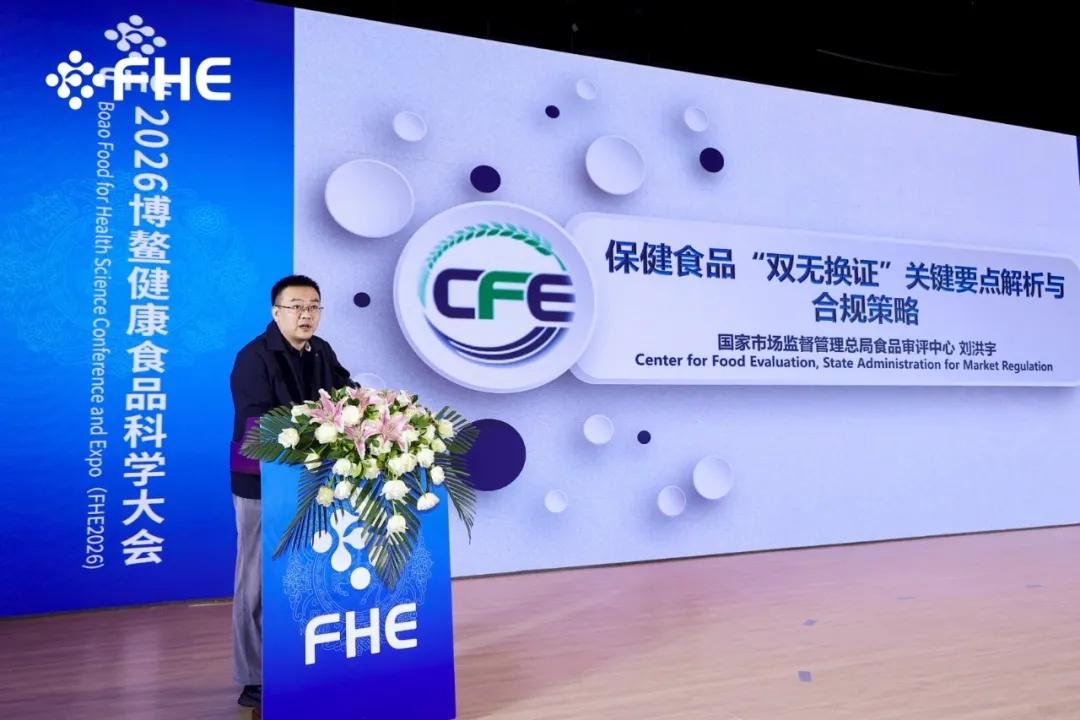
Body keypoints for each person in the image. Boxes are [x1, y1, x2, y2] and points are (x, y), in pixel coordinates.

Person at [228, 274, 353, 709]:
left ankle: (302, 661)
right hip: (261, 482)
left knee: (307, 576)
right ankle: (254, 676)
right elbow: (259, 424)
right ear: (276, 311)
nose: (306, 314)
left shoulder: (322, 352)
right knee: (255, 580)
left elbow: (347, 396)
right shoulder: (253, 358)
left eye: (314, 306)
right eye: (296, 306)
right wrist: (322, 423)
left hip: (313, 481)